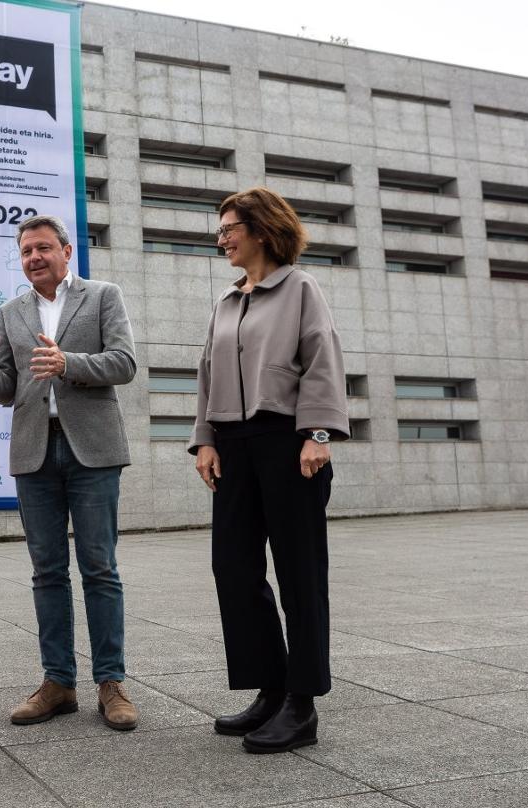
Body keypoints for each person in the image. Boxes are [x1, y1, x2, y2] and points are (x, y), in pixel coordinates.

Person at [188, 188, 349, 754]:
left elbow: (322, 360)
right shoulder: (228, 301)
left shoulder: (300, 287)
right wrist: (205, 440)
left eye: (230, 227)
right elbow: (207, 373)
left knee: (300, 574)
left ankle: (301, 704)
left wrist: (318, 434)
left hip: (288, 442)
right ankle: (270, 686)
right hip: (233, 446)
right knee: (233, 569)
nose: (222, 238)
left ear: (260, 229)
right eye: (220, 230)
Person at [0, 215, 140, 731]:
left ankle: (110, 683)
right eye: (26, 251)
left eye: (43, 248)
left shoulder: (102, 296)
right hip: (34, 453)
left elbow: (124, 364)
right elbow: (12, 388)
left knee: (99, 569)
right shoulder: (11, 311)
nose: (34, 258)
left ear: (67, 252)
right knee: (47, 572)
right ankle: (58, 682)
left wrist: (69, 364)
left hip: (92, 450)